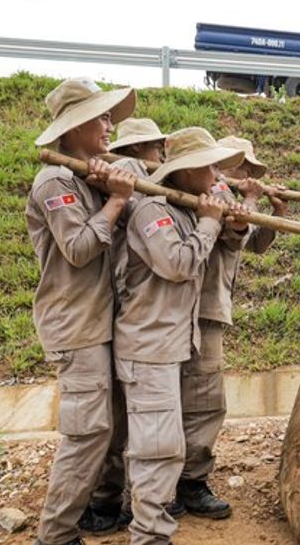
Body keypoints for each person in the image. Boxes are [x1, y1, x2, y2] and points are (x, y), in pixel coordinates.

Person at [113, 127, 245, 545]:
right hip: (148, 346)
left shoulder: (187, 208)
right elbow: (178, 263)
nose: (215, 171)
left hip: (169, 343)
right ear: (184, 171)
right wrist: (210, 223)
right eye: (207, 164)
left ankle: (155, 524)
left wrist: (228, 225)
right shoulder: (154, 210)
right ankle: (150, 534)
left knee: (165, 443)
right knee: (156, 447)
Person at [28, 77, 138, 545]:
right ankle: (55, 535)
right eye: (102, 115)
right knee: (88, 432)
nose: (110, 123)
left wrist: (113, 192)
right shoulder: (55, 180)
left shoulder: (83, 175)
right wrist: (114, 201)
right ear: (73, 127)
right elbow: (77, 248)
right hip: (76, 326)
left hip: (97, 321)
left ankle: (97, 509)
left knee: (107, 426)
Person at [170, 135, 287, 519]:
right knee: (198, 400)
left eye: (253, 171)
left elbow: (250, 242)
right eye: (244, 168)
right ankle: (181, 483)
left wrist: (275, 215)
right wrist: (250, 201)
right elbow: (229, 234)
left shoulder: (220, 195)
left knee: (199, 399)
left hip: (210, 305)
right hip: (193, 308)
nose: (250, 175)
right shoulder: (211, 193)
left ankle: (183, 480)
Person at [78, 117, 171, 535]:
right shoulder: (129, 175)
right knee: (122, 424)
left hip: (125, 316)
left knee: (129, 423)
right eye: (156, 148)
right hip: (128, 317)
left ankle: (121, 503)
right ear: (139, 151)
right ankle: (106, 502)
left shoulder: (138, 182)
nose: (161, 156)